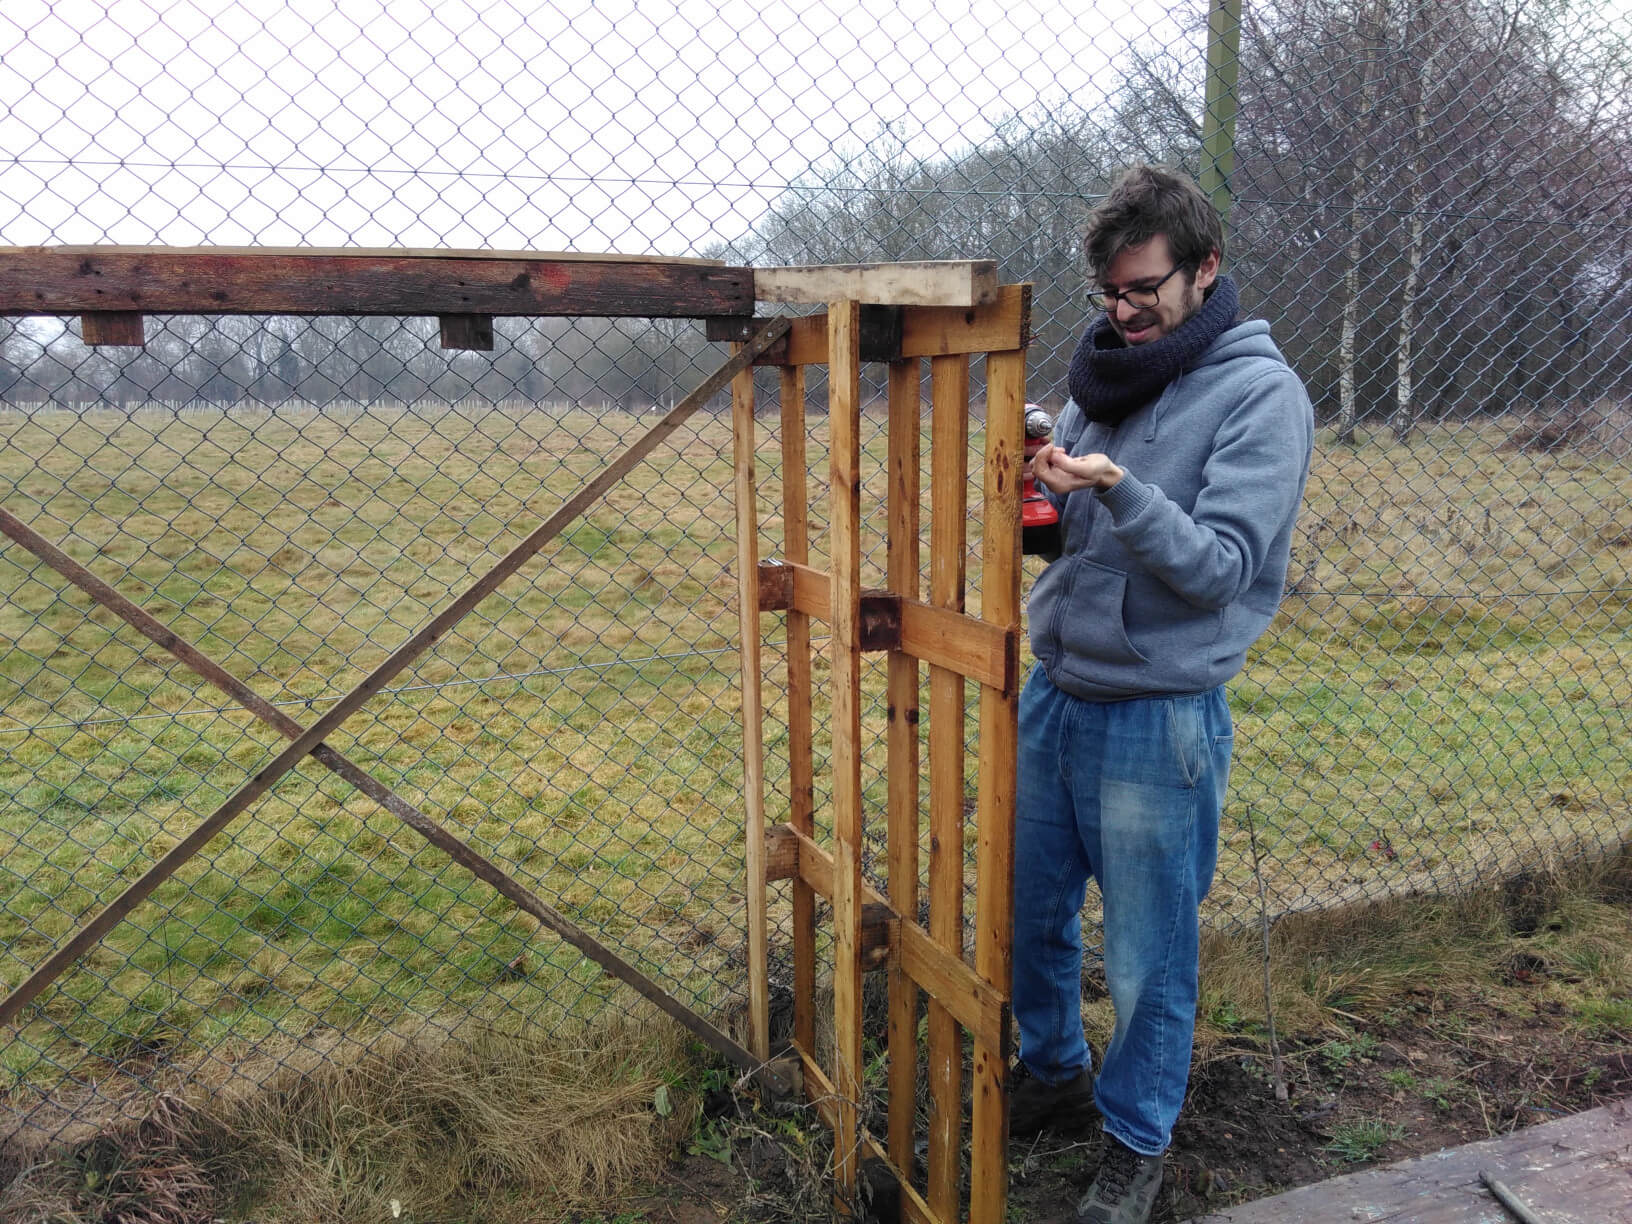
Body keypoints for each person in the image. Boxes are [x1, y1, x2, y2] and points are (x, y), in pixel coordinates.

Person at [1011, 165, 1314, 1224]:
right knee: (1028, 914)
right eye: (1109, 295)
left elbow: (1224, 566)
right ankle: (1047, 1074)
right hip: (1055, 692)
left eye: (1144, 291)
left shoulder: (1260, 395)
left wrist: (1119, 492)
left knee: (1145, 952)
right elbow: (1078, 536)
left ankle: (1137, 1139)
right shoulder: (1106, 376)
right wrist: (1042, 504)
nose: (1124, 314)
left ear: (1206, 269)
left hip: (1158, 716)